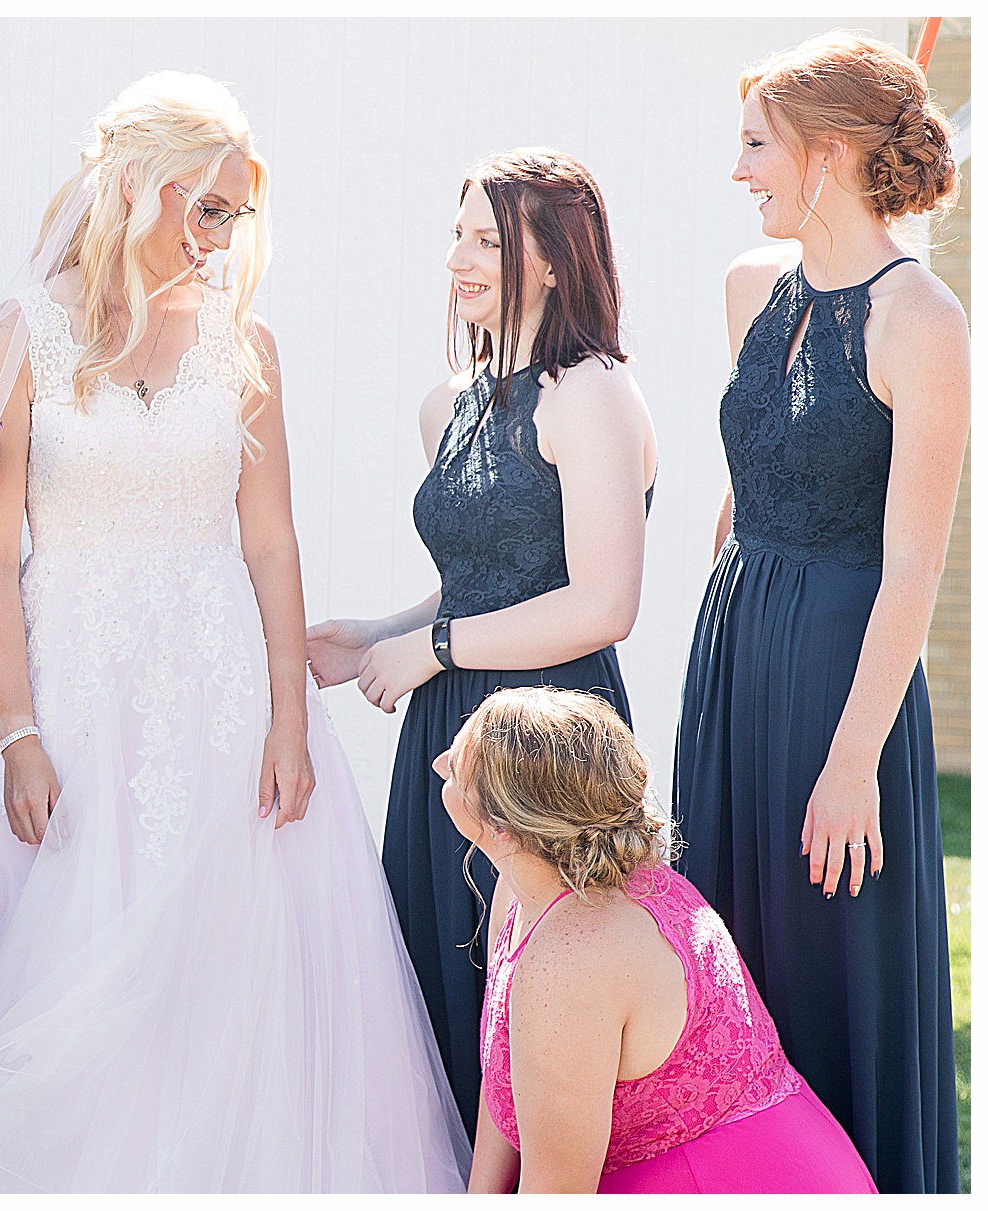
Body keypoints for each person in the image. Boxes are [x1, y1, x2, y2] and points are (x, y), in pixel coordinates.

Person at [0, 72, 470, 1193]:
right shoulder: (24, 329)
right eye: (205, 205)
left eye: (234, 213)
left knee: (233, 970)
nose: (220, 234)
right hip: (67, 682)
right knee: (70, 959)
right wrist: (18, 729)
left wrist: (288, 720)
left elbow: (269, 543)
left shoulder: (242, 339)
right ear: (133, 185)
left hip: (224, 690)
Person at [306, 148, 657, 1131]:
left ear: (552, 257)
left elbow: (603, 602)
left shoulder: (591, 392)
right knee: (444, 993)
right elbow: (485, 576)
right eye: (456, 233)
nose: (459, 258)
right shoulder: (449, 402)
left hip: (552, 737)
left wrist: (439, 644)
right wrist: (378, 632)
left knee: (539, 1009)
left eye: (487, 239)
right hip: (451, 726)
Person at [673, 31, 966, 1193]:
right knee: (727, 948)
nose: (741, 170)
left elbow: (916, 568)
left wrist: (852, 763)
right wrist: (709, 658)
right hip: (738, 647)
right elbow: (744, 487)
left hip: (845, 675)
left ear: (829, 154)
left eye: (757, 145)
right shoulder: (752, 289)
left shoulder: (924, 319)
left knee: (824, 955)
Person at [442, 686, 877, 1194]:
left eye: (455, 770)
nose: (438, 764)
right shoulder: (531, 886)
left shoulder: (572, 960)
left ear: (504, 829)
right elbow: (516, 1087)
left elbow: (555, 1191)